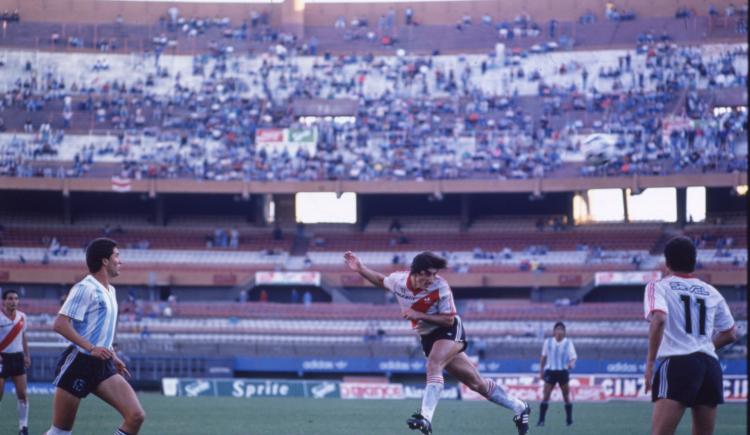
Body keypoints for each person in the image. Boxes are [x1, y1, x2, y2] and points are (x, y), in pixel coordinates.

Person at [344, 251, 530, 435]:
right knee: (476, 384)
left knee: (434, 363)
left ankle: (425, 417)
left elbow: (448, 320)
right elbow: (380, 280)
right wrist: (360, 268)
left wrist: (419, 315)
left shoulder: (441, 286)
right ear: (418, 272)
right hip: (428, 337)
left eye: (435, 274)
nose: (434, 278)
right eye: (430, 274)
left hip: (449, 329)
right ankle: (520, 407)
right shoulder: (399, 281)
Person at [45, 238, 146, 435]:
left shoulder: (111, 290)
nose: (121, 261)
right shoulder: (85, 287)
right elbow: (59, 324)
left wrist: (112, 355)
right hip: (79, 363)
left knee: (136, 416)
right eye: (117, 255)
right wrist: (92, 348)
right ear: (105, 261)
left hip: (103, 364)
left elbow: (100, 331)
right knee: (60, 432)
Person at [644, 236, 737, 435]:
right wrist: (703, 346)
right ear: (693, 262)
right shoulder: (711, 291)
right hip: (710, 367)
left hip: (678, 363)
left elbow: (659, 319)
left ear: (667, 263)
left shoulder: (658, 286)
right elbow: (731, 333)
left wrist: (650, 363)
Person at [0, 289, 31, 435]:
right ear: (4, 301)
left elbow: (24, 336)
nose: (13, 301)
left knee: (22, 394)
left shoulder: (22, 317)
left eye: (16, 299)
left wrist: (27, 355)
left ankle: (23, 427)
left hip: (17, 357)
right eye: (10, 298)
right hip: (2, 358)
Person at [536, 321, 577, 427]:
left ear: (564, 332)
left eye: (561, 329)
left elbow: (573, 357)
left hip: (563, 372)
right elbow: (543, 357)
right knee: (546, 396)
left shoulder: (568, 343)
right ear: (554, 331)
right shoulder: (548, 342)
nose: (559, 331)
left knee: (566, 396)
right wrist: (541, 371)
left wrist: (571, 364)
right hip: (550, 371)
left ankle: (569, 420)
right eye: (557, 329)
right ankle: (541, 421)